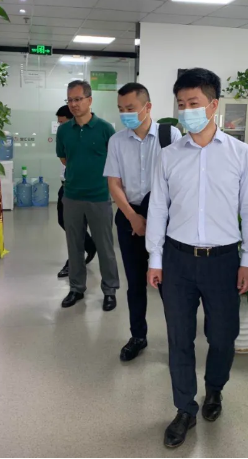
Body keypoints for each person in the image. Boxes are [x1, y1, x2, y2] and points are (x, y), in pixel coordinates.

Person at [146, 68, 248, 448]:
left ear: (213, 105)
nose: (186, 111)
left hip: (223, 261)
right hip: (177, 260)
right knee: (179, 337)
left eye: (193, 103)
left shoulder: (240, 154)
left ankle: (215, 388)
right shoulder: (168, 156)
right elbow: (158, 208)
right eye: (181, 104)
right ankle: (184, 408)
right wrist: (155, 259)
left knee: (223, 336)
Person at [103, 83, 181, 362]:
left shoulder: (169, 135)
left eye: (130, 108)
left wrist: (158, 220)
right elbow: (114, 184)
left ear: (147, 107)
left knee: (168, 284)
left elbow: (178, 179)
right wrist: (133, 217)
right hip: (129, 216)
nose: (125, 114)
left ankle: (177, 341)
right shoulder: (117, 141)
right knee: (135, 282)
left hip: (166, 217)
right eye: (121, 109)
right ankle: (138, 335)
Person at [56, 81, 119, 311]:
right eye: (70, 100)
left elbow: (115, 161)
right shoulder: (64, 130)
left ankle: (110, 290)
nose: (73, 104)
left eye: (78, 99)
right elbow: (64, 158)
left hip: (99, 197)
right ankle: (76, 288)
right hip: (72, 196)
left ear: (90, 100)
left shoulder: (105, 129)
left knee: (105, 247)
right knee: (74, 245)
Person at [55, 105, 96, 278]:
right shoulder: (65, 135)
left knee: (75, 227)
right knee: (64, 221)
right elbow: (64, 160)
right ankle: (90, 245)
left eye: (62, 122)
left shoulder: (88, 135)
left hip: (82, 189)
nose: (60, 126)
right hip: (66, 185)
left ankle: (74, 262)